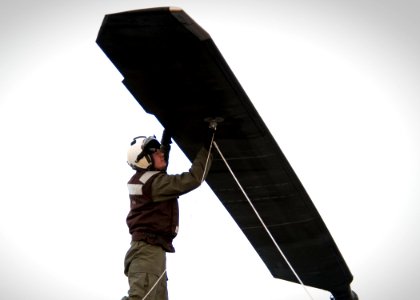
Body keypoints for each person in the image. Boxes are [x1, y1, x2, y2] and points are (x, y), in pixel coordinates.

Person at [121, 127, 215, 300]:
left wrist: (166, 144)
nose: (160, 154)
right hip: (148, 255)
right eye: (155, 153)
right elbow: (193, 178)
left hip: (150, 254)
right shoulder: (155, 184)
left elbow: (157, 172)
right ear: (146, 161)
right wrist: (207, 148)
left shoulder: (143, 179)